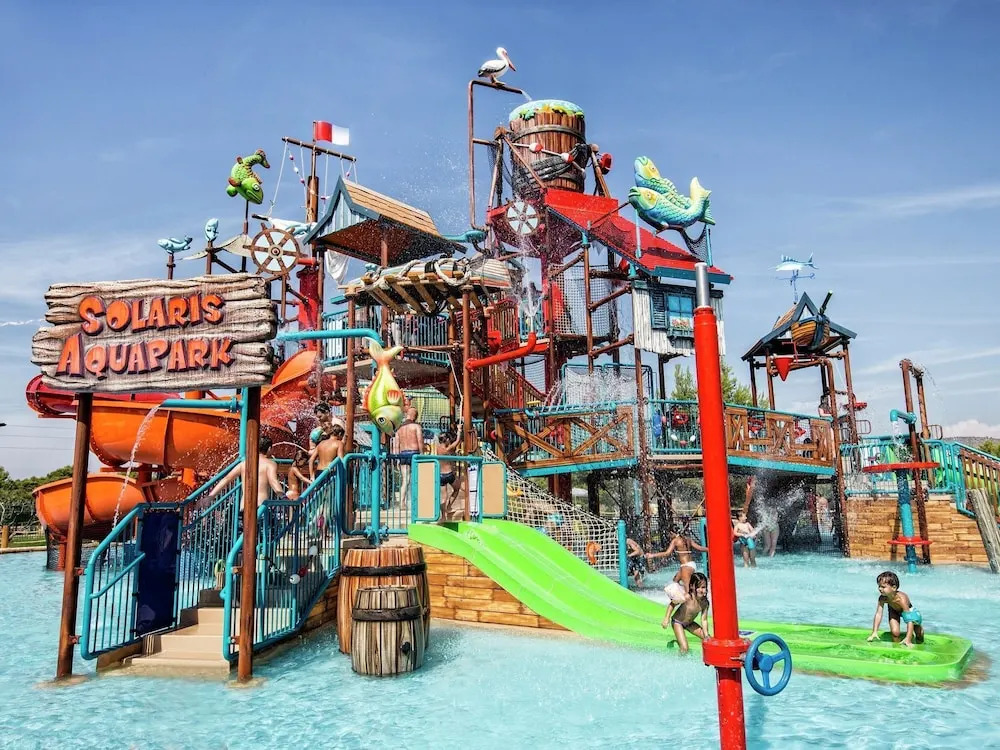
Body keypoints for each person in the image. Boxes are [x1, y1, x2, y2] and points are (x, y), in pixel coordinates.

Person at [207, 436, 285, 524]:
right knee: (268, 531)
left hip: (245, 507)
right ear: (269, 448)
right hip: (261, 507)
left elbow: (227, 479)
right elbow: (273, 481)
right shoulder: (270, 464)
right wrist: (283, 497)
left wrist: (211, 496)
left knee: (245, 532)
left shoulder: (245, 463)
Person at [867, 571, 924, 647]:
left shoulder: (901, 599)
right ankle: (898, 647)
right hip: (893, 610)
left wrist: (908, 639)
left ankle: (912, 639)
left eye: (883, 587)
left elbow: (909, 619)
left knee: (919, 634)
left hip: (909, 611)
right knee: (895, 633)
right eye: (879, 586)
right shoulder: (882, 598)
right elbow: (878, 614)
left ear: (894, 588)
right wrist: (874, 631)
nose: (880, 589)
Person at [661, 572, 710, 654]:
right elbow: (672, 604)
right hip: (678, 622)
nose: (701, 590)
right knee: (684, 649)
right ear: (691, 586)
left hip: (690, 624)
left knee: (709, 640)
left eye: (703, 587)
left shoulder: (705, 603)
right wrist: (666, 619)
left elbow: (704, 620)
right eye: (698, 587)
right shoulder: (687, 597)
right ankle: (679, 652)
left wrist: (706, 635)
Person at [393, 406, 423, 510]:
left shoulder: (399, 429)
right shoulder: (416, 427)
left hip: (403, 454)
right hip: (415, 454)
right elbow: (420, 441)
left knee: (405, 480)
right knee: (417, 479)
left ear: (407, 415)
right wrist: (422, 454)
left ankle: (402, 503)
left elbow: (396, 445)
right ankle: (417, 502)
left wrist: (397, 459)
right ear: (415, 416)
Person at [434, 429, 463, 520]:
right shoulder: (448, 449)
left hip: (441, 475)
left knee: (444, 497)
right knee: (456, 489)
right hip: (449, 474)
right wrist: (459, 430)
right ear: (446, 440)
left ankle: (443, 516)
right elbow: (458, 440)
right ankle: (449, 506)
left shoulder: (438, 447)